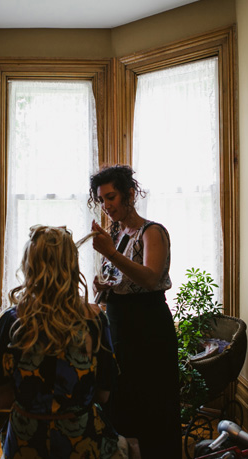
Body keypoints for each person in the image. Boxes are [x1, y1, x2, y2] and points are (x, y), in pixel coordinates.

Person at [0, 225, 128, 458]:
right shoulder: (95, 320)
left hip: (25, 442)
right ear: (72, 266)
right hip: (82, 441)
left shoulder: (10, 321)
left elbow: (2, 399)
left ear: (29, 265)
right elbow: (103, 394)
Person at [88, 164, 182, 458]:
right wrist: (101, 284)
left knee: (152, 400)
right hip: (118, 325)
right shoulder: (115, 233)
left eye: (112, 197)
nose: (106, 206)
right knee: (122, 399)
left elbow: (151, 278)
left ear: (130, 194)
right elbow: (119, 280)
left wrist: (111, 255)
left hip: (148, 325)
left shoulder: (152, 231)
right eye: (102, 200)